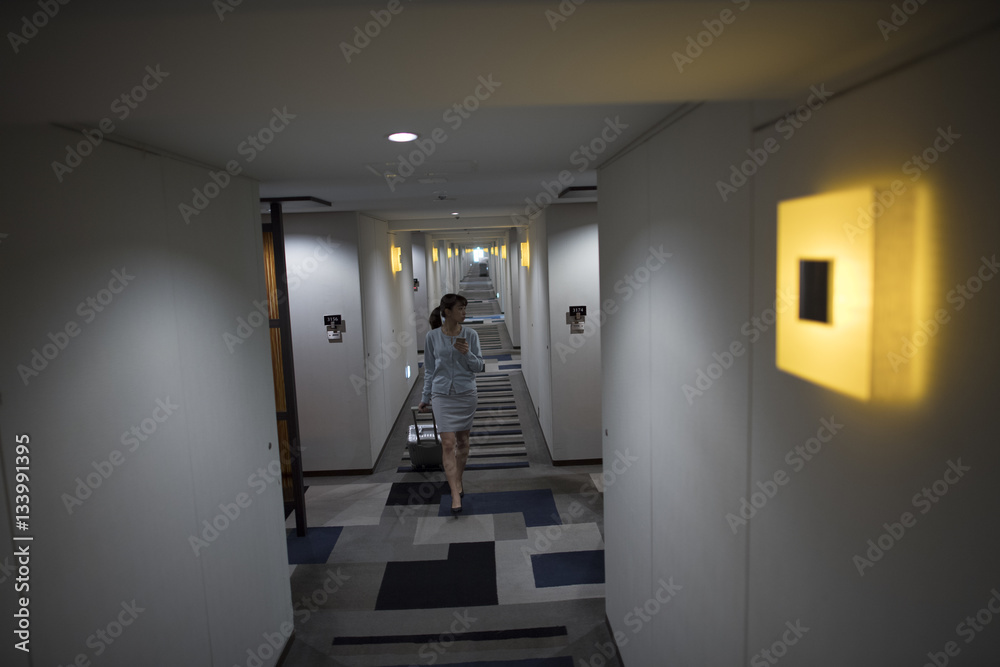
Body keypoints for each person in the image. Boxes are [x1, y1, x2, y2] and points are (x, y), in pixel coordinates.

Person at [417, 293, 485, 514]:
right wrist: (425, 397)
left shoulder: (471, 335)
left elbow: (479, 367)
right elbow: (429, 369)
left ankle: (458, 480)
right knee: (447, 444)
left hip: (465, 393)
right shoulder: (432, 337)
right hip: (441, 394)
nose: (464, 313)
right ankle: (455, 495)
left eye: (465, 309)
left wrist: (467, 355)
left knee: (463, 441)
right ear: (447, 312)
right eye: (460, 309)